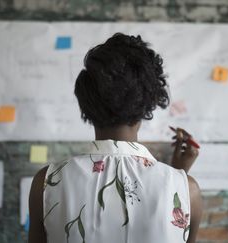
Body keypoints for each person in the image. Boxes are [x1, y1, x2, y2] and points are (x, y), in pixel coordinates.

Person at [28, 33, 202, 243]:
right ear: (149, 103)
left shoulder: (45, 183)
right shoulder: (187, 190)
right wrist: (178, 177)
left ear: (86, 101)